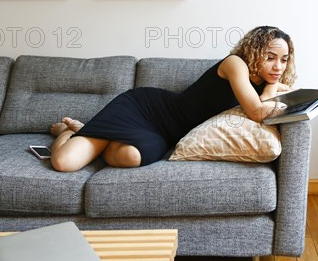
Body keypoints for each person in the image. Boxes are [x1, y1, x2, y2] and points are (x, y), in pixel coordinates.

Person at [49, 26, 297, 172]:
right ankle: (66, 132)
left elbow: (286, 103)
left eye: (284, 59)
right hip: (147, 109)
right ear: (254, 52)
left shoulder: (268, 82)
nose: (278, 66)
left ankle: (89, 132)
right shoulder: (236, 64)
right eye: (270, 57)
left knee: (129, 158)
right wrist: (271, 89)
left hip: (165, 135)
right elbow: (256, 111)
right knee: (64, 163)